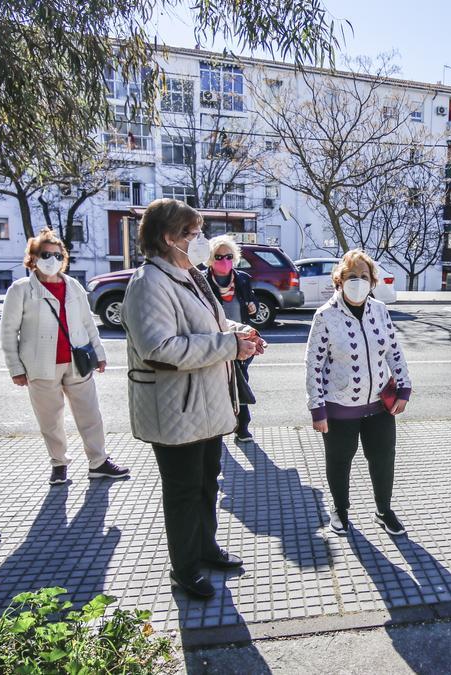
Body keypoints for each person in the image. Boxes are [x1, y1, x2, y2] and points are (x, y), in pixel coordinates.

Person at [122, 198, 266, 601]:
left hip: (205, 404)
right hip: (176, 409)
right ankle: (184, 569)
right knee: (183, 491)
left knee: (205, 484)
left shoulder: (187, 275)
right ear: (169, 238)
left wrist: (241, 334)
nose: (200, 240)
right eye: (193, 233)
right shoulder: (149, 281)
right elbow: (160, 348)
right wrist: (227, 345)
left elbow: (211, 326)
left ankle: (206, 549)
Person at [1, 229, 129, 485]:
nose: (52, 259)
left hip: (77, 362)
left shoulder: (73, 286)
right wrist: (15, 367)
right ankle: (59, 464)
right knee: (51, 419)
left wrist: (99, 354)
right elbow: (8, 331)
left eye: (57, 255)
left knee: (90, 414)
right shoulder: (21, 290)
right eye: (45, 254)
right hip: (40, 366)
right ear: (33, 258)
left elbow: (87, 323)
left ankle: (99, 461)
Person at [305, 249, 412, 537]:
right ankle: (340, 510)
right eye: (352, 275)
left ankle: (384, 510)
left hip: (379, 405)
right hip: (339, 407)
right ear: (339, 279)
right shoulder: (325, 316)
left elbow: (394, 352)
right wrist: (317, 408)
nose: (358, 281)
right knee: (339, 461)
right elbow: (313, 364)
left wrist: (404, 387)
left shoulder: (380, 310)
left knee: (383, 458)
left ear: (372, 281)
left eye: (364, 276)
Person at [203, 235, 258, 443]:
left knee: (241, 381)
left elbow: (252, 301)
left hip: (242, 341)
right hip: (216, 342)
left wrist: (253, 306)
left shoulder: (242, 278)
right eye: (218, 256)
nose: (224, 260)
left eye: (228, 256)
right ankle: (216, 429)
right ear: (210, 258)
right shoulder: (203, 281)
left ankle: (242, 427)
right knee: (216, 386)